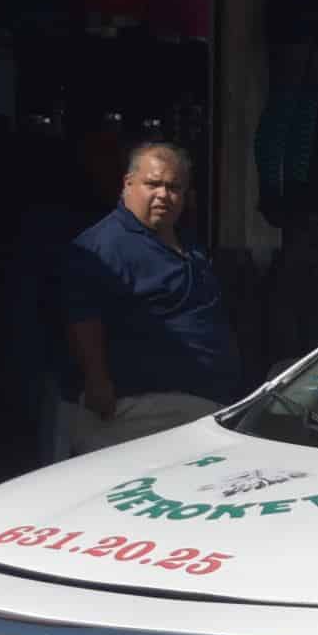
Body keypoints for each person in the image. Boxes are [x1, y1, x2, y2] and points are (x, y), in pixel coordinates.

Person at [61, 143, 244, 454]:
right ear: (128, 184)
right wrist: (97, 383)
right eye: (153, 184)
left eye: (174, 187)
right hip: (143, 411)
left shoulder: (187, 241)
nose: (163, 194)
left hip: (208, 407)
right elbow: (82, 318)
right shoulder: (101, 247)